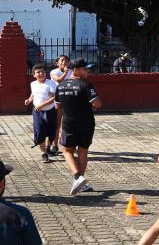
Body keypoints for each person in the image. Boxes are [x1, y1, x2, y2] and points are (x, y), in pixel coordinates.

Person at [56, 59, 102, 195]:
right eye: (85, 69)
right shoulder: (86, 84)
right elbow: (98, 104)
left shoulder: (61, 85)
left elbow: (58, 107)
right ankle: (79, 180)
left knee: (67, 151)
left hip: (69, 123)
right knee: (83, 151)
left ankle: (78, 177)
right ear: (75, 69)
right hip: (87, 123)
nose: (87, 72)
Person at [24, 63, 58, 163]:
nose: (41, 73)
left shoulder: (51, 83)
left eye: (42, 71)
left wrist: (42, 105)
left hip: (50, 111)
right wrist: (29, 100)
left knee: (51, 132)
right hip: (37, 112)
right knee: (39, 131)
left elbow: (54, 98)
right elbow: (33, 94)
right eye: (38, 72)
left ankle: (48, 147)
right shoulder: (33, 84)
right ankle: (43, 153)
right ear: (34, 74)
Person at [49, 55, 72, 156]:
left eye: (66, 60)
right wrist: (66, 72)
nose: (64, 62)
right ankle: (54, 144)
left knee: (68, 124)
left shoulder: (72, 71)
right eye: (62, 60)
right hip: (58, 100)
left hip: (69, 99)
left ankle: (67, 144)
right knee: (58, 123)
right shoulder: (54, 72)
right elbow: (58, 80)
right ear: (57, 63)